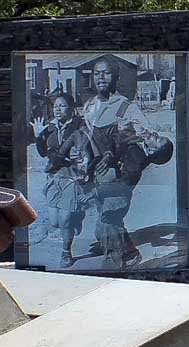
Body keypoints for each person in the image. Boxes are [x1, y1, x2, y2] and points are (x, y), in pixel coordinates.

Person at [80, 57, 173, 270]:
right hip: (95, 170)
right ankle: (130, 253)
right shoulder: (89, 106)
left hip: (118, 174)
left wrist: (118, 156)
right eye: (97, 73)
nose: (101, 77)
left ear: (115, 77)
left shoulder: (126, 108)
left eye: (106, 73)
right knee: (105, 220)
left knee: (108, 220)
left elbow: (145, 140)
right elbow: (86, 137)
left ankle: (112, 264)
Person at [30, 93, 88, 269]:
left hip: (72, 177)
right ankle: (75, 218)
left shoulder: (80, 125)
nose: (57, 109)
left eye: (62, 106)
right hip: (54, 176)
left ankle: (66, 252)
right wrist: (38, 137)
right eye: (55, 106)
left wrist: (79, 154)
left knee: (64, 220)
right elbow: (43, 153)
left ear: (71, 108)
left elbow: (85, 147)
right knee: (55, 222)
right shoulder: (49, 127)